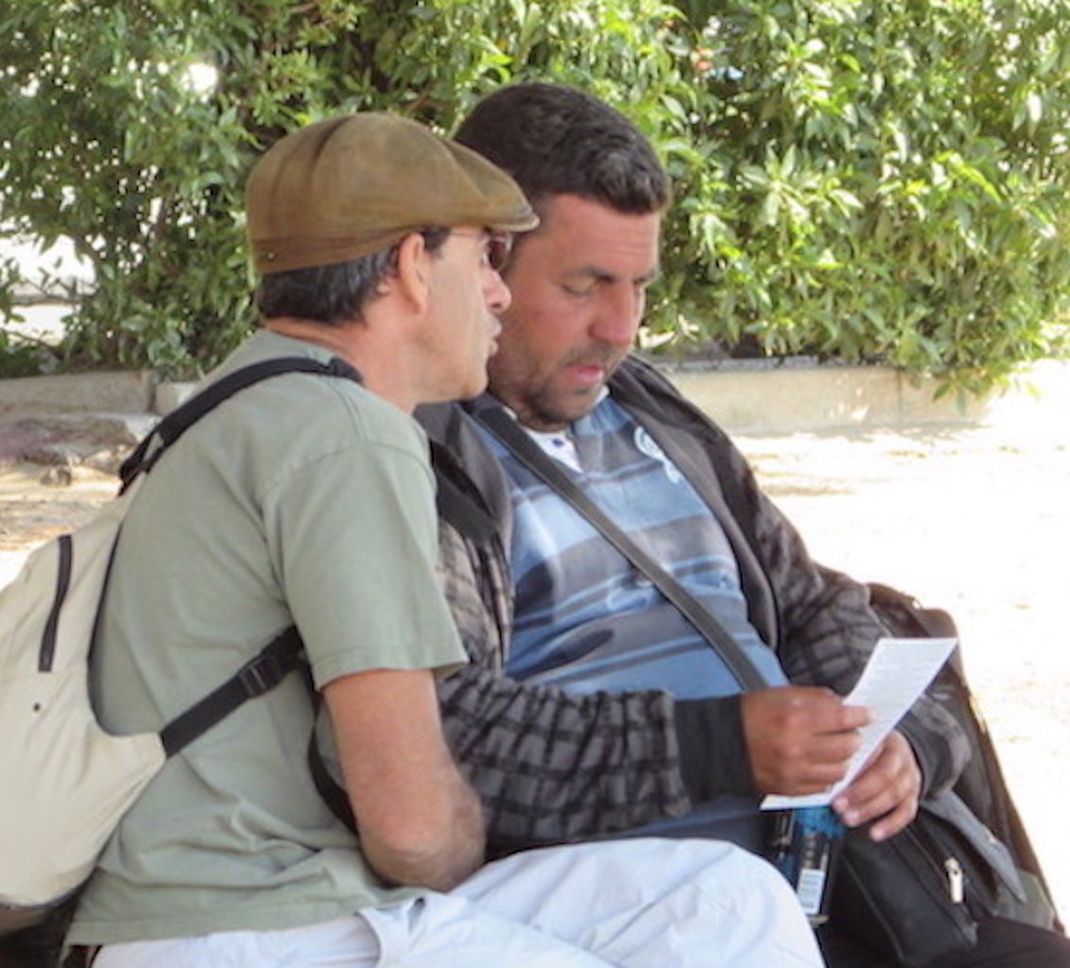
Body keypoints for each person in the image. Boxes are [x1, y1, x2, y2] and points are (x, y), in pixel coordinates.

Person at [61, 112, 823, 968]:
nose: (495, 293)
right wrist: (472, 838)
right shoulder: (352, 436)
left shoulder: (250, 398)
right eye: (481, 259)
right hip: (252, 928)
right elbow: (414, 830)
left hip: (308, 902)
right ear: (410, 266)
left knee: (726, 902)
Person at [416, 83, 1070, 966]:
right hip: (643, 922)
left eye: (639, 286)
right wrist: (721, 748)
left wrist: (896, 745)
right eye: (584, 286)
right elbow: (456, 744)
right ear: (488, 266)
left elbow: (811, 600)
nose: (618, 328)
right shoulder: (426, 456)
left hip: (847, 889)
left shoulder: (651, 410)